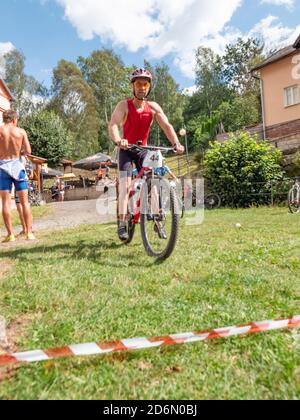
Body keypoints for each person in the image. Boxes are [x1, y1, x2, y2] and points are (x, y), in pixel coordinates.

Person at [109, 68, 184, 241]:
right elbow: (113, 124)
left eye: (145, 84)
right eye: (138, 84)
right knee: (125, 185)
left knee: (154, 182)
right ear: (133, 86)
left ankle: (158, 220)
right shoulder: (124, 105)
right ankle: (121, 223)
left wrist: (176, 143)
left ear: (149, 87)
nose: (142, 87)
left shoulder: (153, 107)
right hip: (127, 149)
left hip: (144, 149)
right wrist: (119, 140)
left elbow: (167, 126)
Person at [0, 110, 35, 242]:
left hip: (2, 167)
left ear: (4, 119)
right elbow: (28, 151)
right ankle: (29, 233)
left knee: (5, 203)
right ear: (14, 119)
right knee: (25, 202)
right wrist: (18, 151)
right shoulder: (21, 132)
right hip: (17, 166)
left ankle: (10, 235)